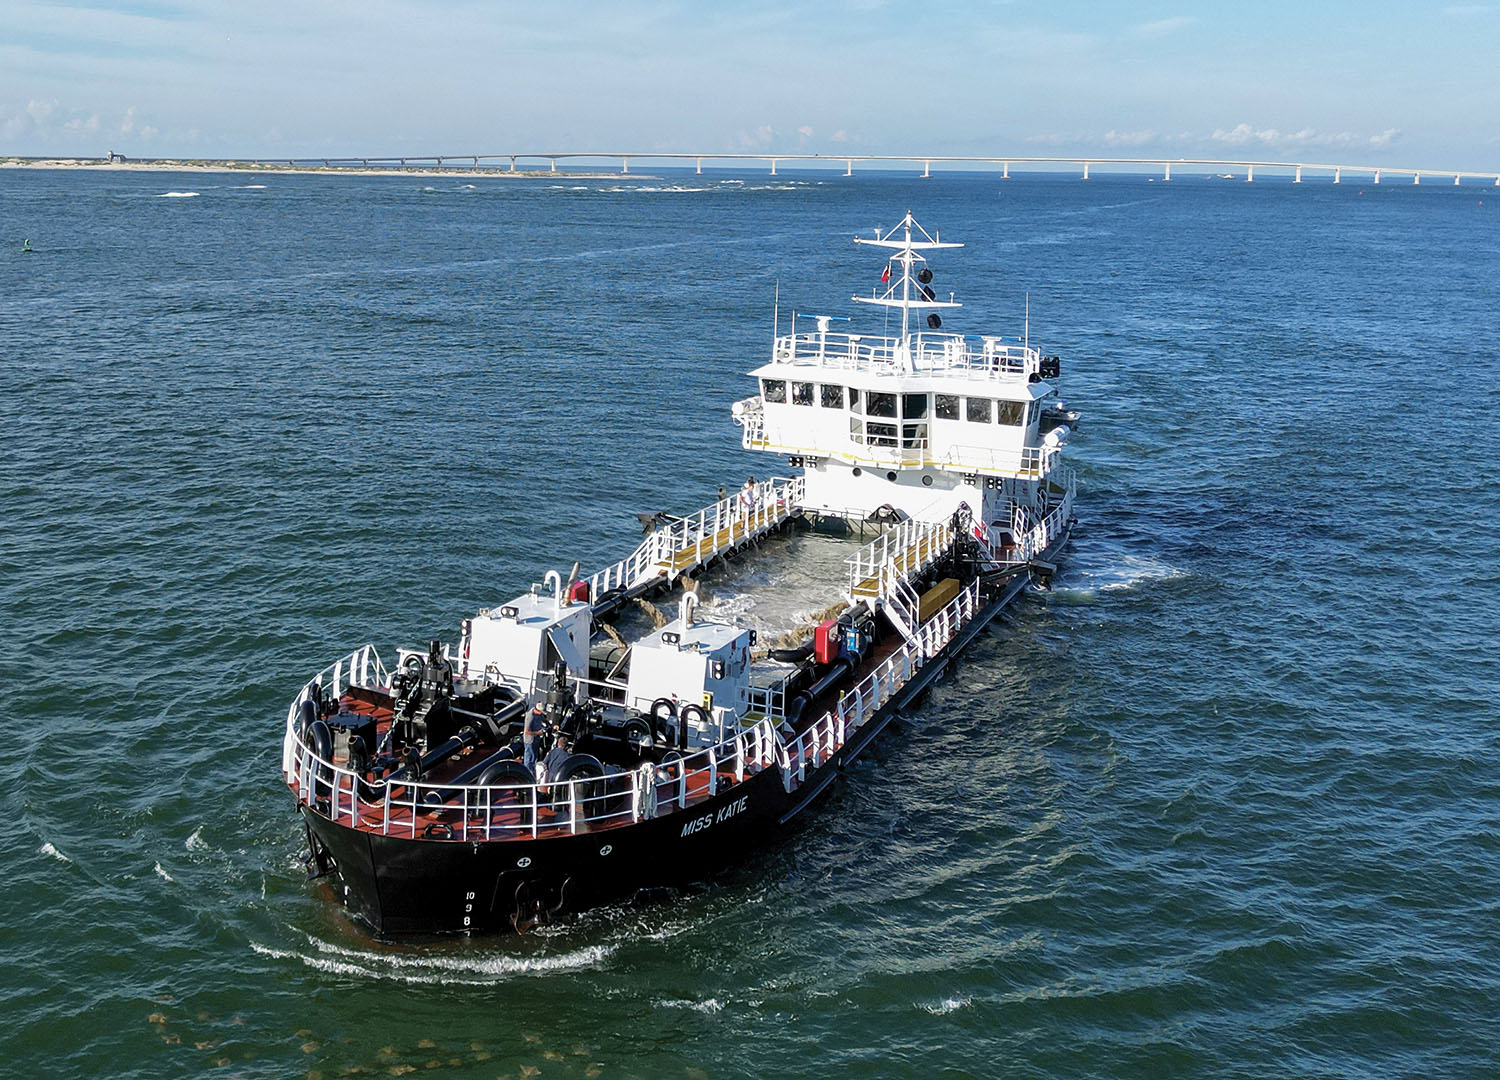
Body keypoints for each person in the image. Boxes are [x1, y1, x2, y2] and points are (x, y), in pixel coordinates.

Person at [522, 702, 546, 772]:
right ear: (537, 710)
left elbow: (543, 719)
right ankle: (527, 772)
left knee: (535, 756)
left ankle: (534, 771)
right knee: (529, 758)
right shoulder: (530, 716)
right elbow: (526, 731)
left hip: (536, 738)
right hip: (530, 740)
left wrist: (551, 725)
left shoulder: (539, 714)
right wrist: (537, 733)